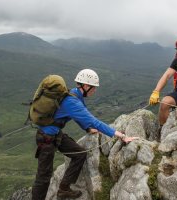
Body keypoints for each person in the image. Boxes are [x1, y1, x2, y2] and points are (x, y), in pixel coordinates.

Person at [32, 69, 138, 200]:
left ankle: (63, 189)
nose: (95, 91)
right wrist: (121, 135)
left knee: (80, 154)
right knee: (44, 176)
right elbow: (94, 121)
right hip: (46, 138)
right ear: (86, 86)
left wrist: (87, 129)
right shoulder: (73, 101)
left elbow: (80, 118)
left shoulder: (74, 95)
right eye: (94, 88)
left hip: (55, 134)